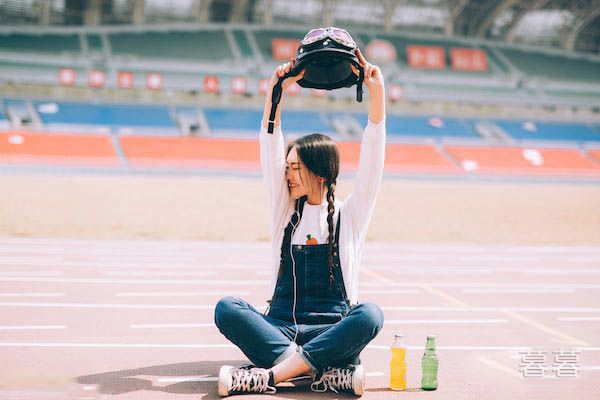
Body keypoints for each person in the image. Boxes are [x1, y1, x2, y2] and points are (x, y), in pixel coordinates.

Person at [214, 48, 386, 397]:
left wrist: (377, 93)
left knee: (370, 314)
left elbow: (373, 157)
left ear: (321, 173)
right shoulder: (284, 211)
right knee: (226, 309)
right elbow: (269, 144)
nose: (288, 176)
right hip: (279, 329)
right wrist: (274, 91)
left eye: (296, 169)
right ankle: (323, 373)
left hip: (331, 332)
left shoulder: (349, 215)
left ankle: (270, 377)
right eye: (288, 168)